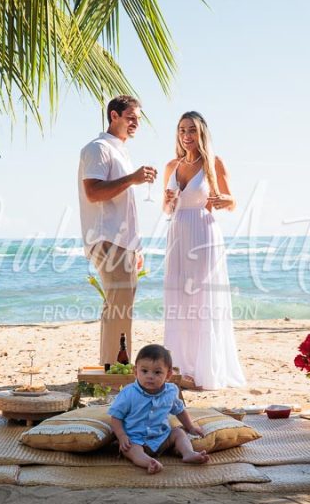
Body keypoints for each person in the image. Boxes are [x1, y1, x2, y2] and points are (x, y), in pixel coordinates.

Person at [161, 111, 246, 390]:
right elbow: (167, 208)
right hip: (177, 232)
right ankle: (181, 368)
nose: (187, 136)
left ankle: (204, 369)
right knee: (179, 299)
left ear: (202, 133)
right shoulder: (171, 166)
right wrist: (168, 200)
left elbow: (232, 201)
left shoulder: (214, 163)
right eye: (182, 130)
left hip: (204, 231)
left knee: (201, 299)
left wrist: (223, 200)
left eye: (192, 130)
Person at [78, 95, 158, 364]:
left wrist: (136, 247)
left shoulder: (119, 150)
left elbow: (126, 207)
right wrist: (133, 178)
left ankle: (112, 368)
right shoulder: (97, 148)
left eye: (138, 119)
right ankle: (115, 371)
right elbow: (93, 192)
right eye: (131, 117)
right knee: (119, 309)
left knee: (118, 308)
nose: (136, 123)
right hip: (107, 238)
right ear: (114, 116)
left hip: (123, 242)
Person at [108, 344, 210, 474]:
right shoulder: (129, 393)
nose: (150, 376)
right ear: (135, 371)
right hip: (136, 439)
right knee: (130, 449)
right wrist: (122, 436)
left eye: (157, 372)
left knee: (178, 433)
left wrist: (190, 427)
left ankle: (188, 453)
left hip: (162, 437)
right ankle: (148, 462)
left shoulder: (171, 391)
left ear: (168, 374)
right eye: (144, 371)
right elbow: (116, 417)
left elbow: (179, 410)